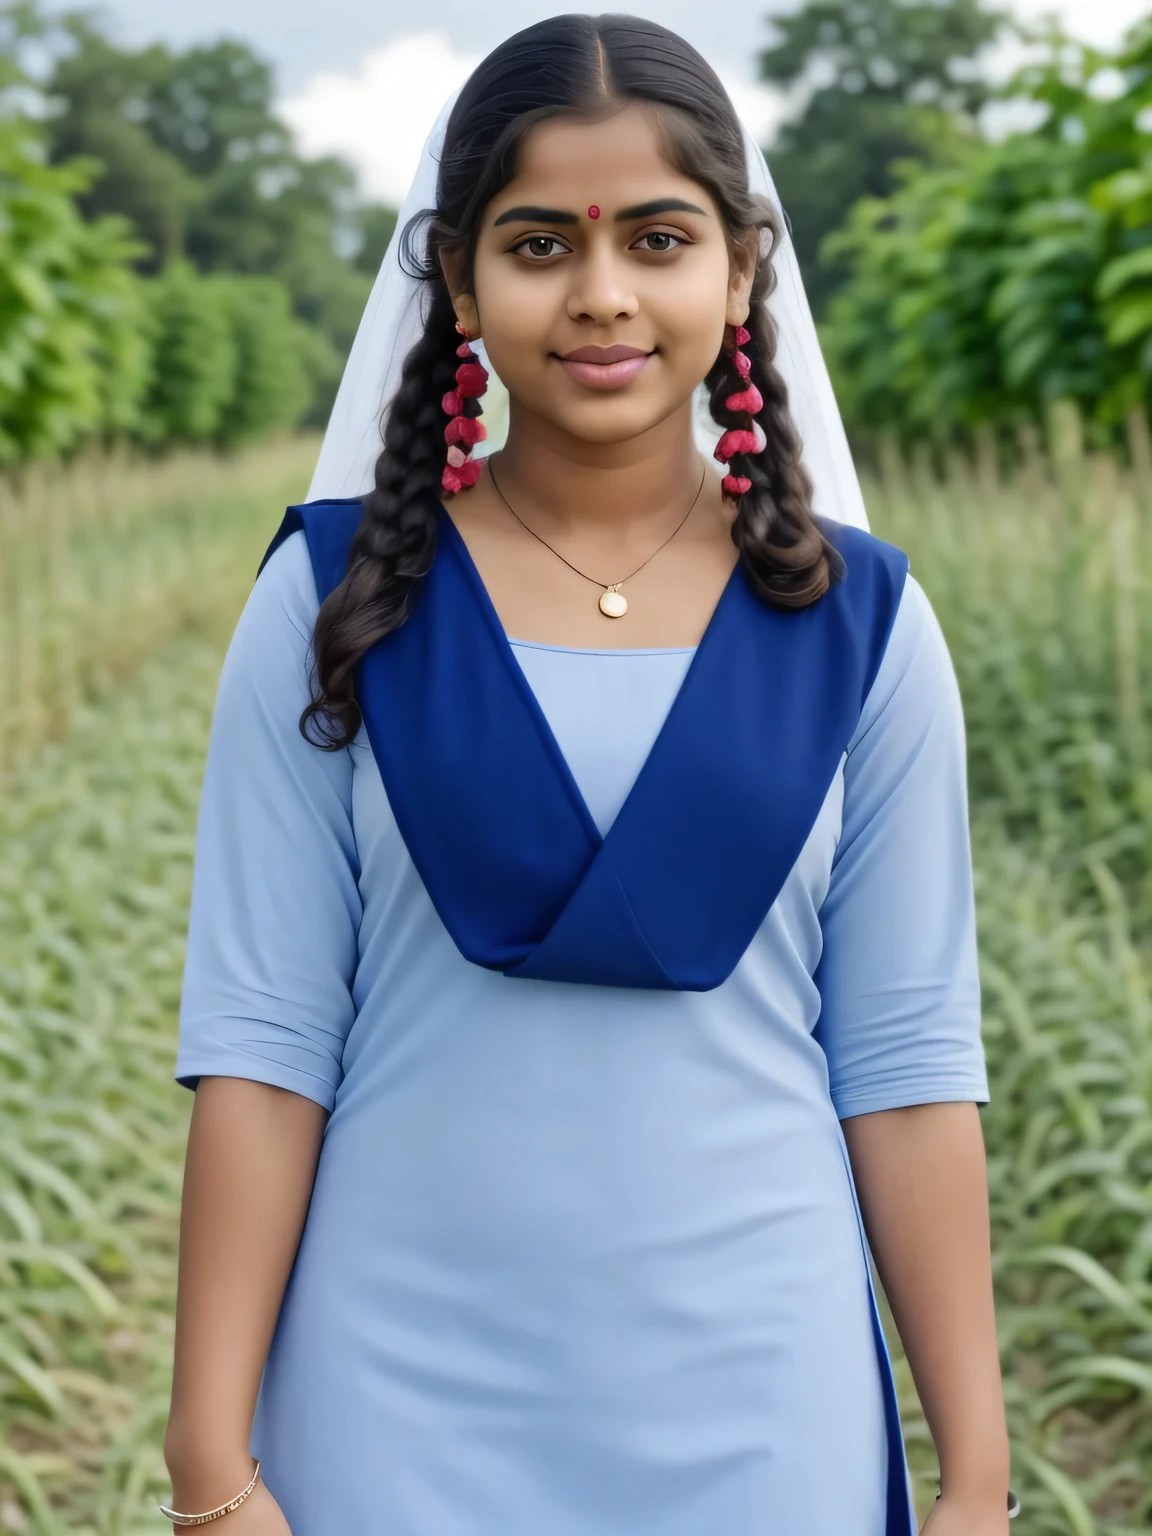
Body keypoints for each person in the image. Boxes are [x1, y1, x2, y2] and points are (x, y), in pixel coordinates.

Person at [160, 15, 1014, 1534]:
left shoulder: (865, 629)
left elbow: (903, 1067)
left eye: (659, 238)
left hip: (767, 1403)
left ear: (741, 270)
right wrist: (212, 1471)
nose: (603, 294)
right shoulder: (332, 603)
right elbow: (265, 1044)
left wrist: (979, 1478)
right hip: (391, 1396)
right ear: (460, 279)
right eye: (541, 241)